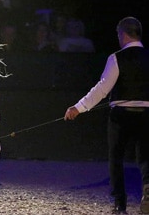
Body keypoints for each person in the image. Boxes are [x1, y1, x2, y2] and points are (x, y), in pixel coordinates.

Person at [64, 17, 149, 214]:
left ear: (123, 34)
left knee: (116, 158)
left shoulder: (116, 58)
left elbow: (102, 89)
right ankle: (148, 188)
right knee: (146, 157)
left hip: (121, 115)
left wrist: (79, 107)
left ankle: (120, 204)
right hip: (146, 114)